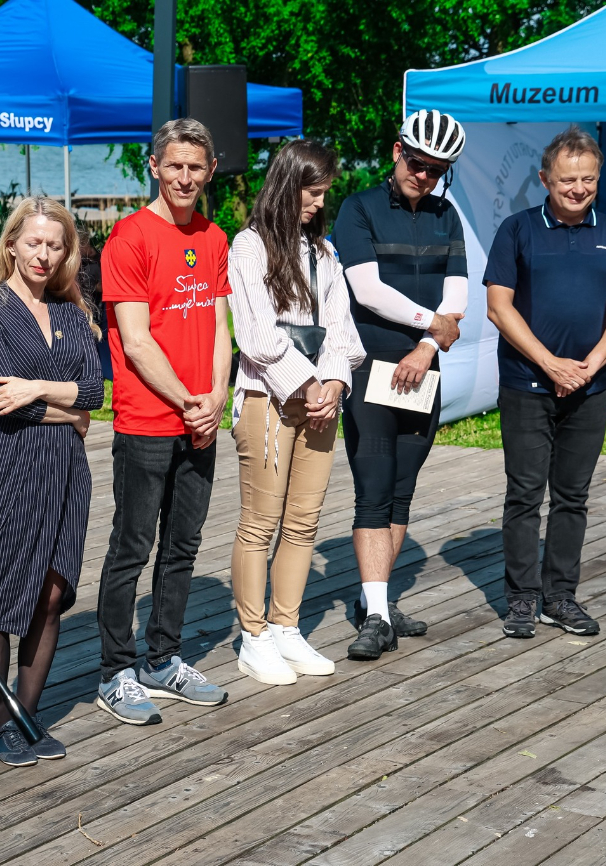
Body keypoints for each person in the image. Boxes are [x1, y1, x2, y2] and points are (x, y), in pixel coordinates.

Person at [95, 118, 232, 725]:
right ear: (154, 166)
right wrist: (189, 402)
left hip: (199, 421)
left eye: (195, 167)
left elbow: (221, 327)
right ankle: (114, 671)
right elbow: (136, 340)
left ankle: (163, 658)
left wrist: (217, 398)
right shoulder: (129, 237)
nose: (184, 177)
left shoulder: (215, 237)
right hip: (148, 420)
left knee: (183, 545)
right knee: (131, 546)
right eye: (174, 165)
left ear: (210, 171)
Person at [485, 125, 606, 639]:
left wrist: (589, 365)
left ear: (599, 177)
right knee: (525, 494)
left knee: (573, 496)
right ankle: (522, 598)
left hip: (591, 386)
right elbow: (498, 307)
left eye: (588, 179)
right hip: (526, 383)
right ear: (544, 179)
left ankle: (559, 597)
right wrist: (550, 364)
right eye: (567, 180)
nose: (578, 189)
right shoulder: (517, 230)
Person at [0, 197, 104, 766]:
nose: (44, 255)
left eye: (55, 245)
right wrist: (69, 413)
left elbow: (95, 393)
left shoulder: (73, 314)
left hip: (68, 474)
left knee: (50, 596)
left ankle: (27, 713)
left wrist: (39, 389)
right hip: (12, 470)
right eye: (34, 243)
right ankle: (0, 720)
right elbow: (6, 404)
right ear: (12, 245)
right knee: (2, 597)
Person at [227, 140, 366, 684]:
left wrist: (333, 383)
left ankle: (286, 626)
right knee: (260, 522)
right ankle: (254, 635)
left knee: (304, 520)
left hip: (318, 400)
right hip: (266, 397)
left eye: (324, 191)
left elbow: (342, 331)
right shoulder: (248, 247)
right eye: (312, 190)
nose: (319, 201)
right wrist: (307, 383)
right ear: (287, 184)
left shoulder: (324, 253)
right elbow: (256, 334)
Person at [334, 109, 469, 661]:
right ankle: (375, 619)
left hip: (422, 366)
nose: (425, 176)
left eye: (437, 170)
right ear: (397, 151)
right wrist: (431, 324)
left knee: (401, 490)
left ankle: (379, 605)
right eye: (417, 163)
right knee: (373, 487)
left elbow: (457, 296)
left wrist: (427, 346)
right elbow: (367, 290)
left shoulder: (446, 215)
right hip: (370, 365)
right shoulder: (359, 207)